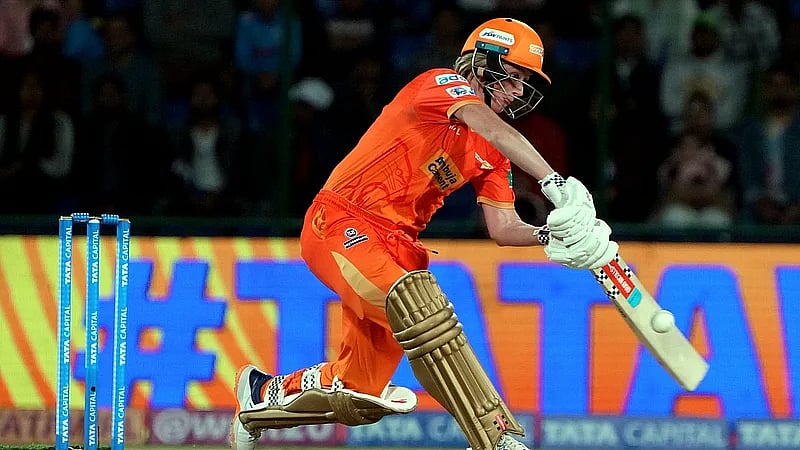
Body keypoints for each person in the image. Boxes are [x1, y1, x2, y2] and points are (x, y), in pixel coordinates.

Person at [229, 17, 618, 450]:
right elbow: (487, 124)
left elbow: (503, 228)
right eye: (513, 78)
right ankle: (495, 437)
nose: (516, 93)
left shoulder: (493, 150)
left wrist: (554, 236)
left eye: (525, 85)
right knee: (423, 314)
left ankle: (259, 398)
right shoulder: (442, 85)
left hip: (397, 250)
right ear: (483, 63)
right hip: (342, 223)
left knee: (358, 391)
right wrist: (554, 182)